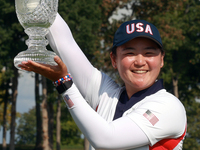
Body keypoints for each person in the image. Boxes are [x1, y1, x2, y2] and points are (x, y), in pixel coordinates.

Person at [19, 13, 187, 150]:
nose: (140, 61)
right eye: (130, 53)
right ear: (114, 59)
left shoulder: (169, 106)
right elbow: (65, 44)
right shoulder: (107, 94)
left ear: (162, 59)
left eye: (149, 53)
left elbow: (106, 138)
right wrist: (41, 5)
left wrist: (64, 84)